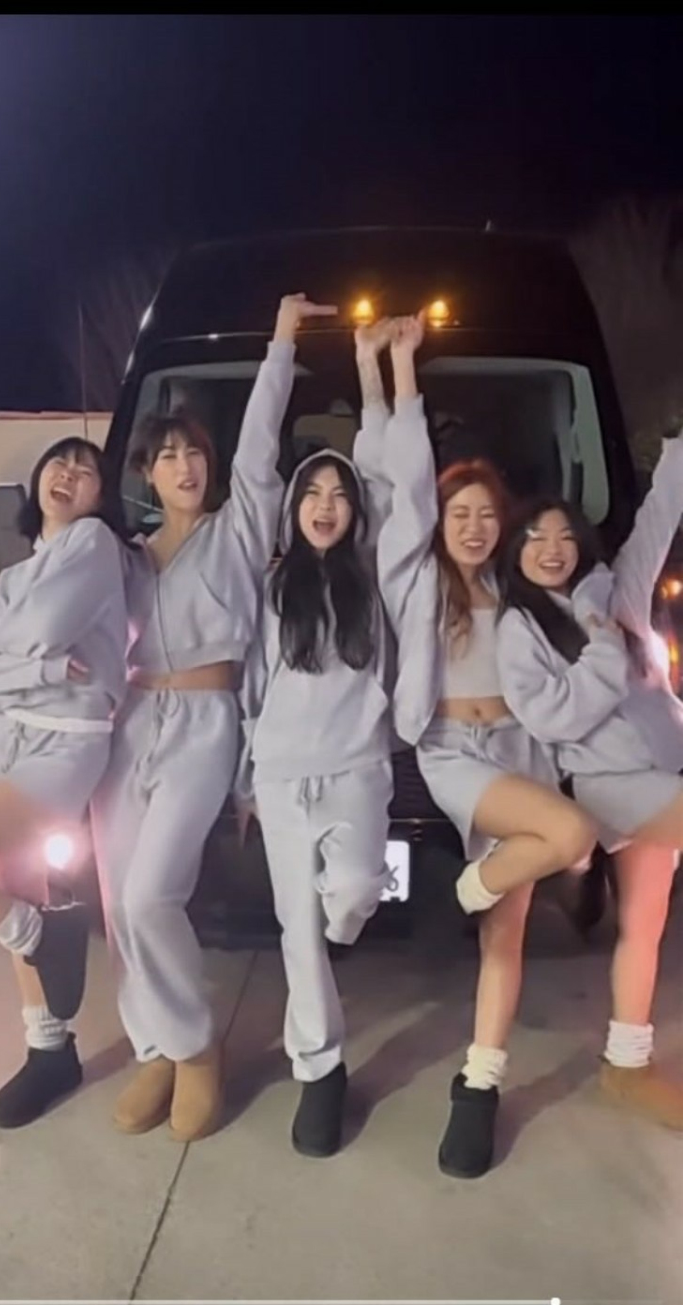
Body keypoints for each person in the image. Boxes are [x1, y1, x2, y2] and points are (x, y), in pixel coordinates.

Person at [92, 294, 336, 1143]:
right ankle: (154, 1044)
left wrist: (281, 343)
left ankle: (196, 1046)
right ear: (146, 474)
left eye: (194, 451)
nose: (185, 465)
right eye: (168, 456)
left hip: (205, 720)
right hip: (131, 724)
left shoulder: (236, 533)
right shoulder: (124, 557)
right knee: (118, 902)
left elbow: (262, 448)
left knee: (152, 893)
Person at [375, 314, 596, 1178]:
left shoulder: (517, 586)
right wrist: (401, 368)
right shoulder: (416, 578)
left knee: (510, 933)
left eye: (485, 515)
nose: (472, 526)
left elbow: (580, 580)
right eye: (458, 513)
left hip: (521, 747)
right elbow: (403, 478)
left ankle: (479, 1084)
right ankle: (457, 891)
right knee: (568, 836)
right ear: (438, 520)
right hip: (455, 751)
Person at [0, 437, 131, 1128]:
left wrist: (22, 658)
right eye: (59, 462)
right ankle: (49, 1048)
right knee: (17, 884)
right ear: (37, 478)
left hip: (64, 743)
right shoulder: (16, 573)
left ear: (100, 495)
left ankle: (32, 933)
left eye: (86, 469)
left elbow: (40, 630)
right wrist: (42, 668)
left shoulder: (94, 545)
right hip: (7, 735)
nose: (69, 473)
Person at [239, 318, 396, 1158]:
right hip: (281, 775)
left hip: (357, 769)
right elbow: (253, 687)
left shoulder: (374, 578)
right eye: (312, 494)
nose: (326, 505)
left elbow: (386, 470)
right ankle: (320, 1069)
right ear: (294, 508)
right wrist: (245, 780)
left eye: (339, 494)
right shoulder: (273, 588)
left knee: (355, 892)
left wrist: (372, 369)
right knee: (295, 928)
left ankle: (344, 933)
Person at [497, 429, 683, 1131]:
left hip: (661, 769)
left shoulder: (611, 593)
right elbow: (556, 715)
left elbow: (660, 514)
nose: (552, 548)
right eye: (535, 537)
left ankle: (626, 1063)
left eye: (564, 536)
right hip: (607, 784)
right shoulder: (520, 627)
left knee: (645, 923)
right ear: (516, 551)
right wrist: (604, 649)